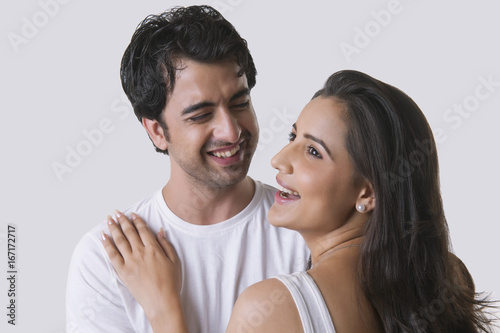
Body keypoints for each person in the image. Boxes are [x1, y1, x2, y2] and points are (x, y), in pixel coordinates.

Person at [102, 70, 497, 332]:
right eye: (293, 137)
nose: (277, 160)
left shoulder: (273, 310)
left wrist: (165, 309)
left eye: (313, 152)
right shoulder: (446, 275)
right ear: (156, 130)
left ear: (368, 192)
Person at [65, 6, 309, 333]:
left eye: (240, 103)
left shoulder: (307, 231)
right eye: (200, 115)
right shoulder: (106, 260)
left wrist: (164, 311)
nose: (231, 131)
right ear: (156, 131)